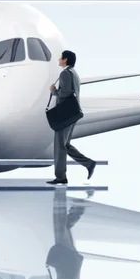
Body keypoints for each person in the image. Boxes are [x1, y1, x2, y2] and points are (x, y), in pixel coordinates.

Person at [47, 50, 96, 185]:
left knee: (59, 146)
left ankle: (61, 177)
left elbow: (65, 92)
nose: (59, 59)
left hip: (65, 114)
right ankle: (89, 164)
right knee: (66, 145)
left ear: (65, 60)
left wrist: (53, 91)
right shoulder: (74, 73)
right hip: (73, 113)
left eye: (61, 57)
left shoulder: (65, 73)